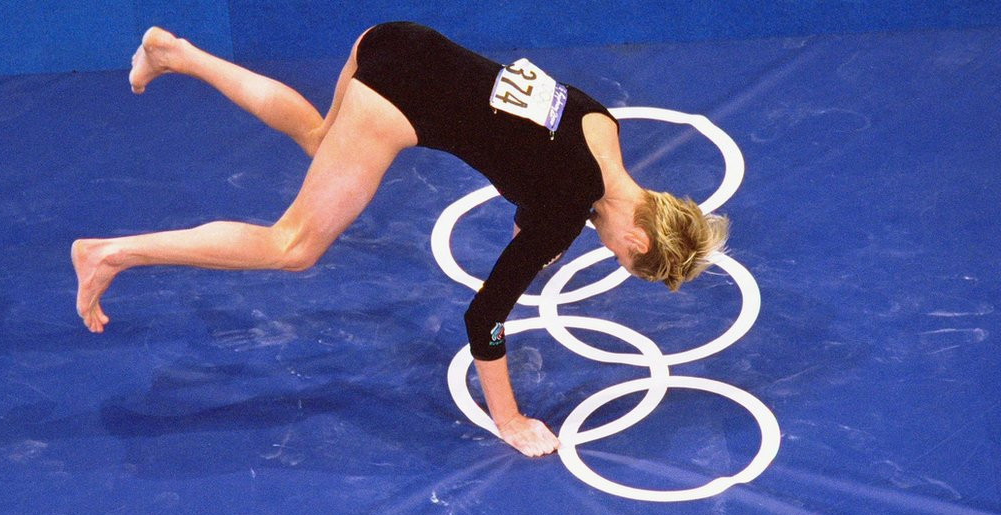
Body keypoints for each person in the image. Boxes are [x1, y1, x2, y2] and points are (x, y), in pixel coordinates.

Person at [71, 22, 729, 458]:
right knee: (293, 246)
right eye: (621, 256)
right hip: (397, 100)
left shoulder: (603, 126)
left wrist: (536, 223)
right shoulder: (564, 210)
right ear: (641, 240)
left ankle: (175, 53)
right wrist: (509, 420)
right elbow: (485, 317)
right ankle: (109, 253)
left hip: (398, 41)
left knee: (319, 140)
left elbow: (530, 146)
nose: (608, 251)